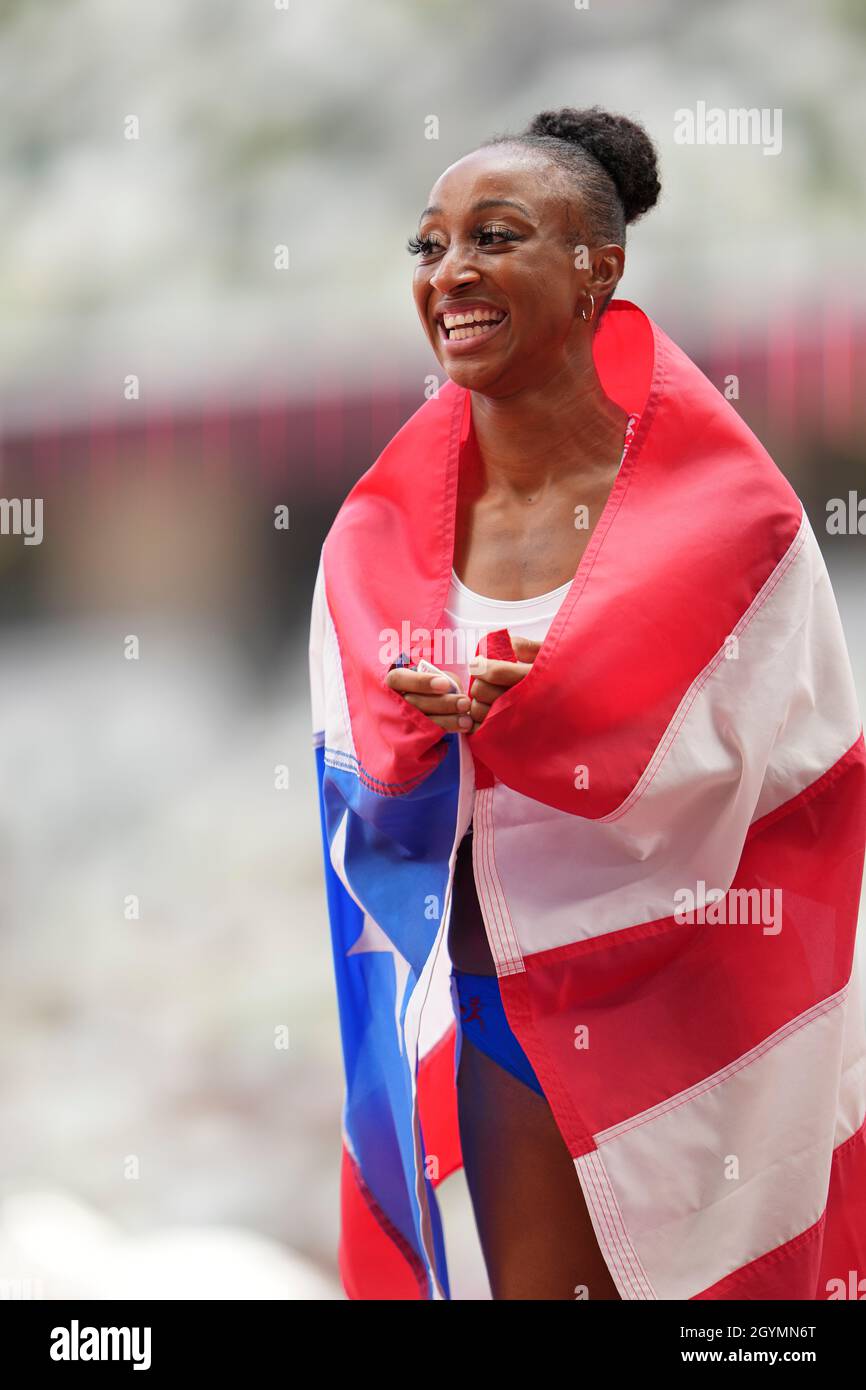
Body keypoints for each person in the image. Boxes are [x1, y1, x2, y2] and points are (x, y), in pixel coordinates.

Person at [309, 106, 866, 1301]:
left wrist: (561, 717)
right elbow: (351, 775)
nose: (451, 271)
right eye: (429, 245)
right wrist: (426, 733)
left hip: (696, 1003)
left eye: (495, 237)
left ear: (593, 270)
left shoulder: (735, 521)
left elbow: (793, 768)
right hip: (504, 1004)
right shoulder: (378, 530)